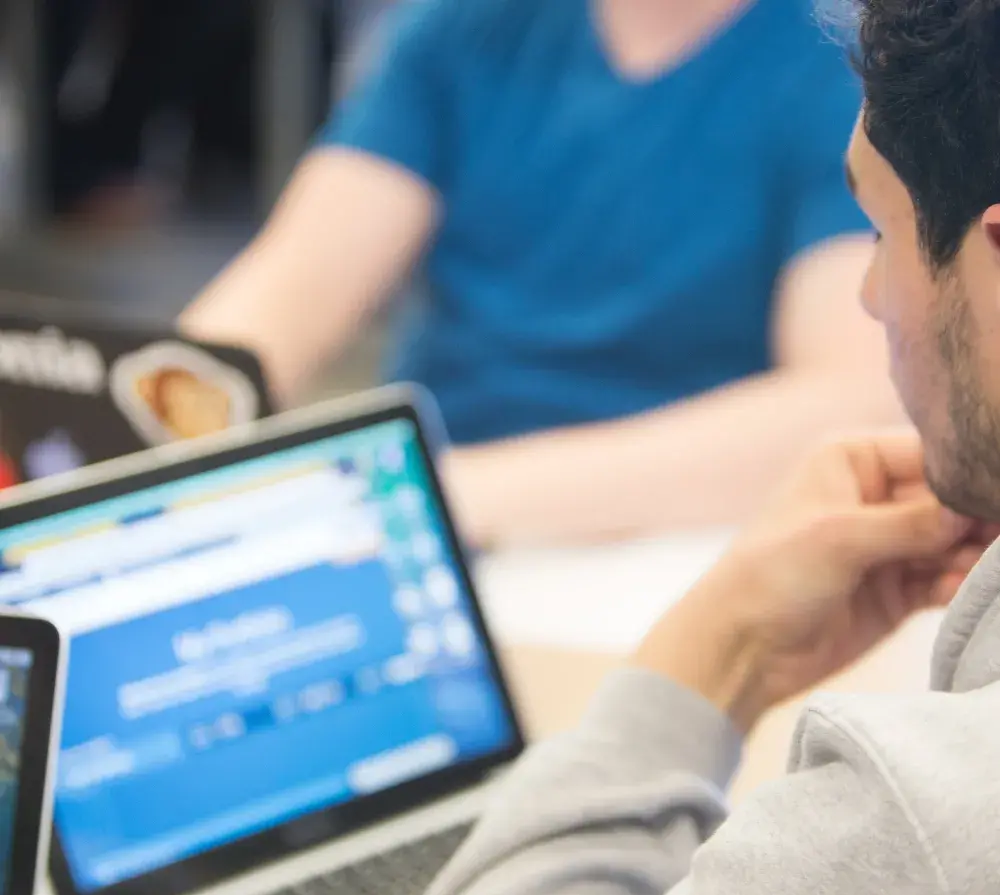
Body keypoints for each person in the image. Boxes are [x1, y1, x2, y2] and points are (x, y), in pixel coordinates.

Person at [376, 2, 1000, 895]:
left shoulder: (939, 822)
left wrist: (710, 653)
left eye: (880, 231)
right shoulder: (461, 34)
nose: (873, 294)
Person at [181, 0, 903, 547]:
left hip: (679, 533)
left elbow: (842, 405)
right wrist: (139, 422)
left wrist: (433, 496)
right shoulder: (464, 29)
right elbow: (280, 299)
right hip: (439, 520)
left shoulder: (832, 64)